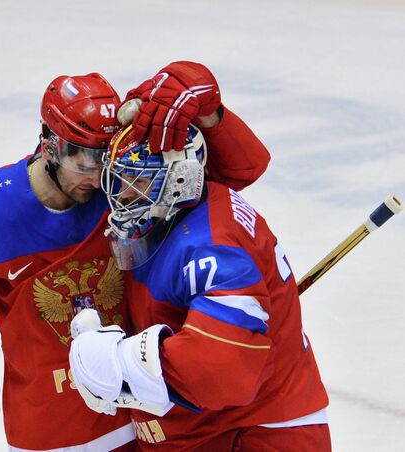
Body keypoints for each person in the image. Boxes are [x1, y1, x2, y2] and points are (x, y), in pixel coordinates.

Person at [0, 62, 271, 450]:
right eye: (84, 162)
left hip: (148, 420)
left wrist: (210, 115)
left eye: (106, 159)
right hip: (53, 436)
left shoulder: (126, 189)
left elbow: (237, 175)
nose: (98, 178)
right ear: (49, 143)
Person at [69, 123, 331, 450]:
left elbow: (224, 370)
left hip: (254, 432)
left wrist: (121, 366)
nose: (121, 194)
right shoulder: (187, 211)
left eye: (138, 182)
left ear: (179, 180)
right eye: (121, 179)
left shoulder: (211, 248)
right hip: (215, 427)